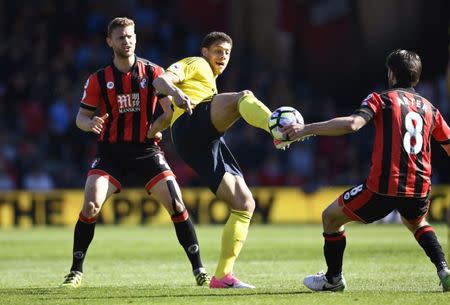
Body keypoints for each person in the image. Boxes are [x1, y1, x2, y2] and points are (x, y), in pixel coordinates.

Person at [282, 49, 450, 292]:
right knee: (417, 222)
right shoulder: (429, 108)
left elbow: (353, 124)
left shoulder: (380, 99)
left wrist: (306, 129)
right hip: (419, 187)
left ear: (391, 74)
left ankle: (333, 279)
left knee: (330, 217)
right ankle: (444, 269)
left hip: (383, 186)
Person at [61, 17, 209, 288]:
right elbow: (80, 118)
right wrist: (89, 123)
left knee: (176, 204)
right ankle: (75, 271)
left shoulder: (153, 73)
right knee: (91, 205)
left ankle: (199, 270)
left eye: (130, 36)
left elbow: (166, 109)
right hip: (111, 153)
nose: (126, 41)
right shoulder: (98, 79)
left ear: (136, 38)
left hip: (145, 150)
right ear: (110, 42)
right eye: (120, 37)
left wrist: (158, 124)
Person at [151, 32, 284, 288]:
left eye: (227, 52)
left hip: (201, 142)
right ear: (204, 52)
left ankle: (223, 276)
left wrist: (153, 128)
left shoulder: (210, 81)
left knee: (245, 204)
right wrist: (176, 93)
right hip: (192, 125)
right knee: (242, 97)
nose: (222, 56)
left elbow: (167, 114)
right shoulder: (196, 64)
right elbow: (161, 80)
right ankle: (276, 128)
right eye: (217, 50)